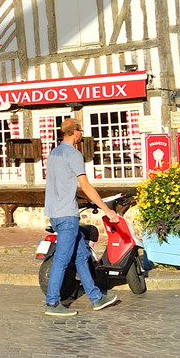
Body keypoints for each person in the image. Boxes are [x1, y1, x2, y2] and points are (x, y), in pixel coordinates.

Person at [41, 116, 119, 318]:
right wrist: (107, 210)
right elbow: (85, 186)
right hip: (67, 214)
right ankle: (52, 302)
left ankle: (96, 298)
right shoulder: (73, 154)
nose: (81, 135)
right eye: (81, 131)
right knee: (62, 258)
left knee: (82, 256)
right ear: (75, 132)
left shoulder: (53, 153)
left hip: (55, 213)